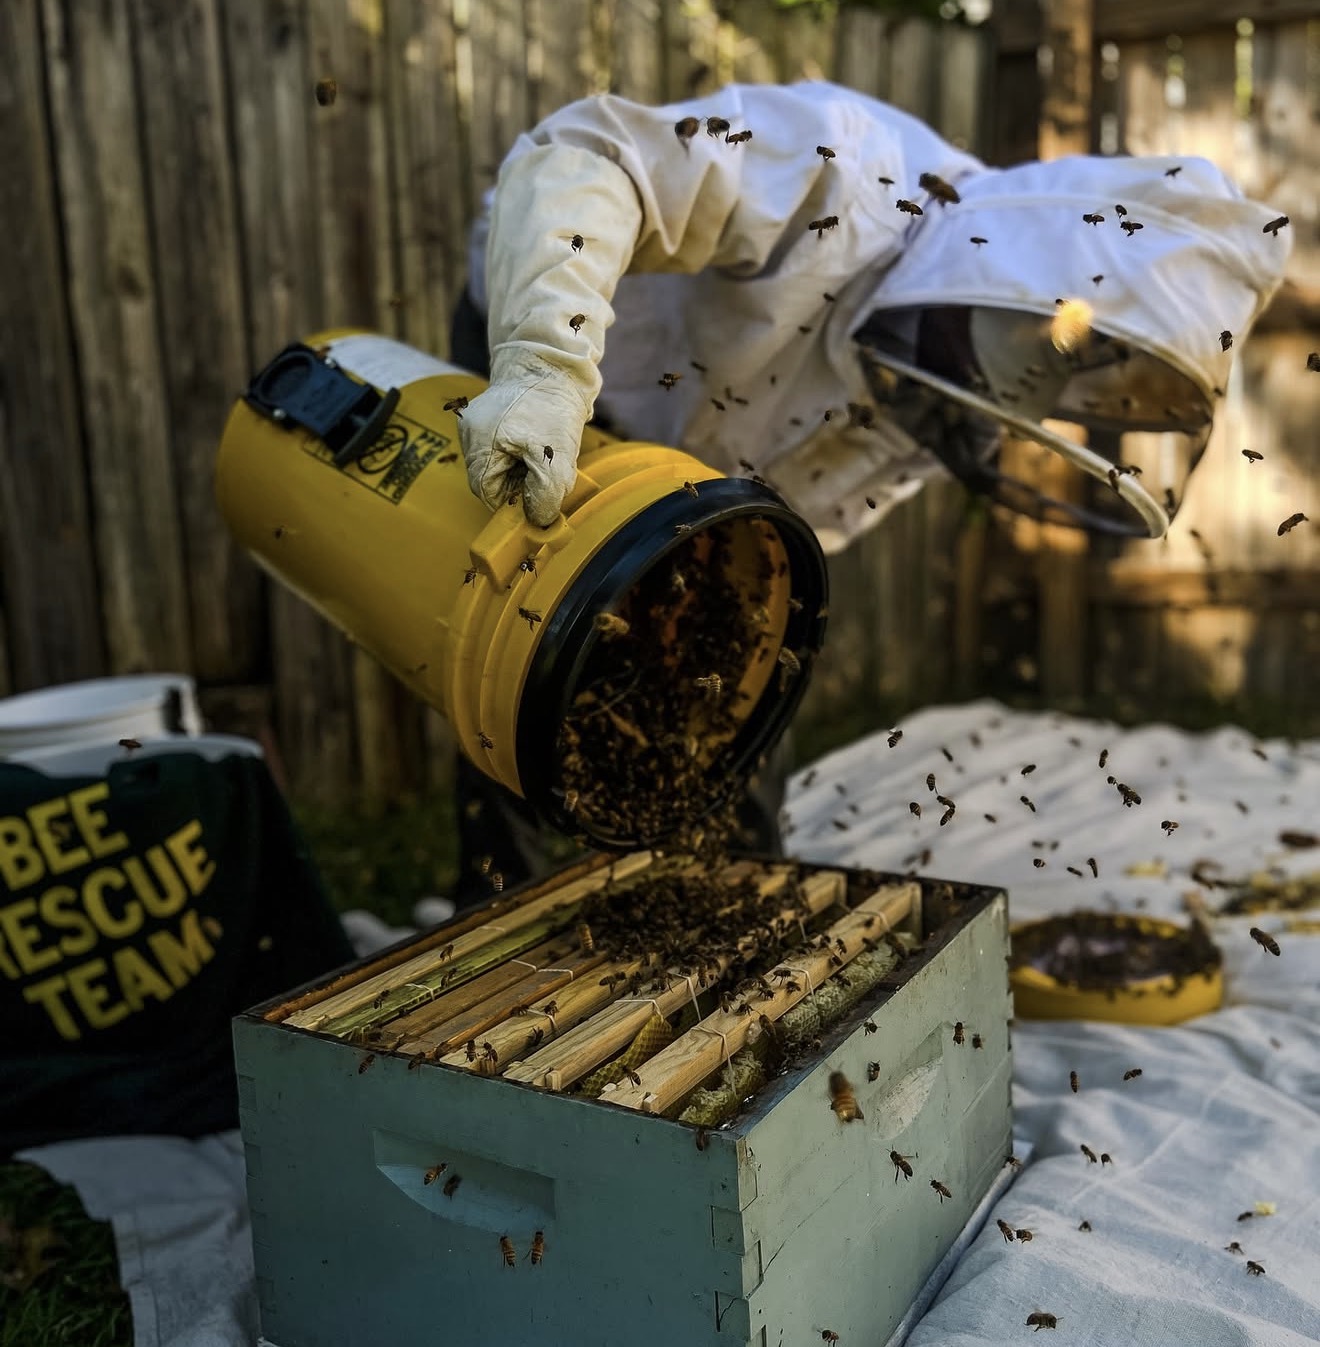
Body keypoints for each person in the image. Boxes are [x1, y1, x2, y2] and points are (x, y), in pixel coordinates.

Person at [450, 79, 1291, 905]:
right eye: (1070, 342)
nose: (1039, 385)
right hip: (564, 365)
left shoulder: (947, 390)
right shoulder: (845, 169)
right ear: (1036, 265)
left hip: (703, 476)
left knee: (724, 691)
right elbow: (590, 156)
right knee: (522, 653)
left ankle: (723, 905)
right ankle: (500, 902)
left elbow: (782, 543)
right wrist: (544, 368)